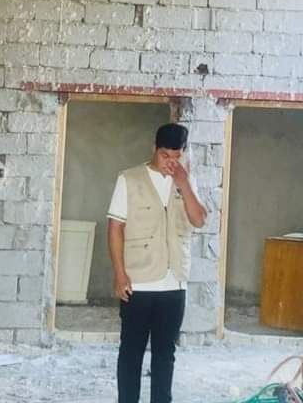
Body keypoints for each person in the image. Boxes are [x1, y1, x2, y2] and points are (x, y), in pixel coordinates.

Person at [107, 123, 208, 403]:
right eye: (165, 156)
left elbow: (199, 220)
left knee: (165, 355)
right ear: (154, 149)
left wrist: (184, 184)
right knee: (131, 352)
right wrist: (119, 274)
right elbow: (115, 228)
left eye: (176, 157)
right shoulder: (129, 179)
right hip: (138, 283)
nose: (170, 163)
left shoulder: (185, 181)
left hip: (174, 283)